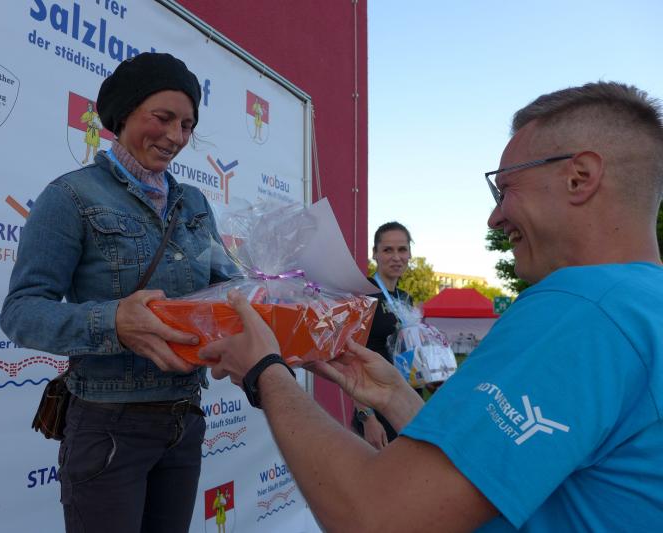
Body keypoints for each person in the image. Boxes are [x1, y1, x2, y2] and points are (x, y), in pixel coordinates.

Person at [199, 81, 663, 531]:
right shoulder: (640, 304)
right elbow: (500, 470)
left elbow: (375, 518)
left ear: (579, 177)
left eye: (505, 190)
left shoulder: (578, 310)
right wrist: (397, 398)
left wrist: (266, 372)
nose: (495, 217)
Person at [1, 52, 234, 533]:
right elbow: (21, 312)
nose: (176, 136)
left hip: (185, 420)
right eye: (163, 117)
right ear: (124, 113)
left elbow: (224, 288)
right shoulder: (71, 197)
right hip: (109, 426)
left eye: (187, 125)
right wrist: (113, 322)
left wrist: (272, 296)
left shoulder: (194, 203)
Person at [352, 221, 414, 448]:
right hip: (375, 406)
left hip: (404, 402)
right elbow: (350, 358)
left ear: (409, 254)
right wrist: (366, 417)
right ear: (375, 254)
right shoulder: (363, 294)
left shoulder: (405, 299)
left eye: (402, 249)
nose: (396, 257)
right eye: (388, 250)